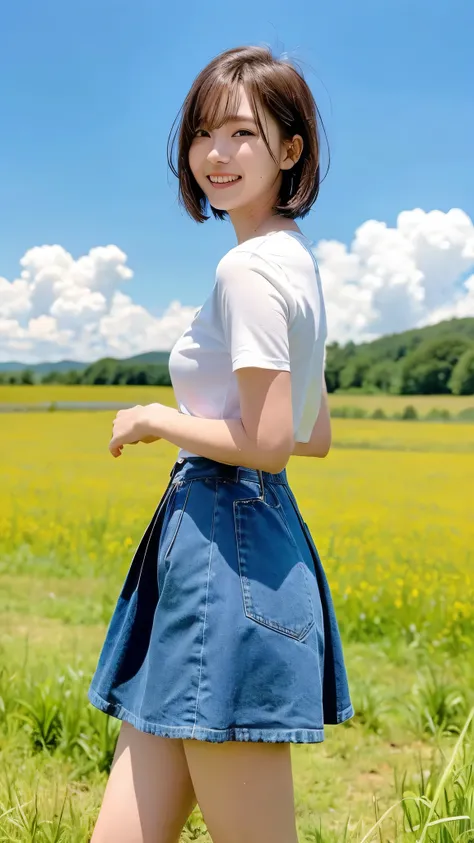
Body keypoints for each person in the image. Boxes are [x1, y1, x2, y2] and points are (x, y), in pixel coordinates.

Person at [88, 44, 354, 843]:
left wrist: (154, 418)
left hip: (223, 547)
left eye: (243, 132)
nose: (216, 154)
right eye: (205, 133)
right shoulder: (293, 263)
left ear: (291, 148)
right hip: (238, 543)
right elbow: (317, 433)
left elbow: (272, 440)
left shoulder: (249, 273)